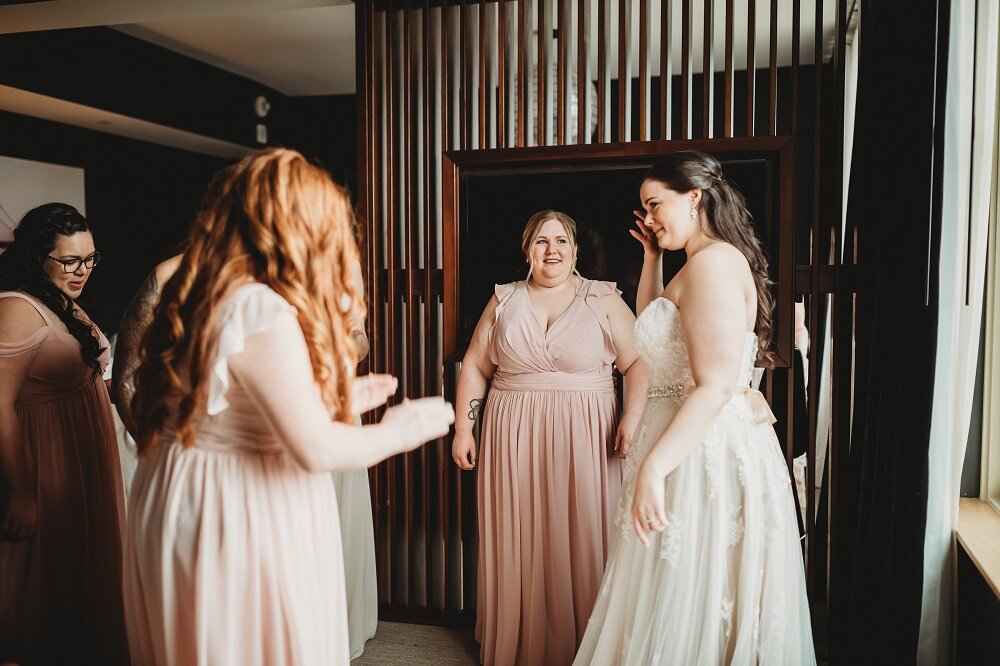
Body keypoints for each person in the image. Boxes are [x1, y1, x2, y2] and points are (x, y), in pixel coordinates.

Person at [122, 147, 454, 665]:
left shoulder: (197, 291)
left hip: (186, 493)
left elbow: (228, 401)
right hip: (241, 507)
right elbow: (316, 448)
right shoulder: (257, 305)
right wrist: (406, 428)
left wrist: (335, 397)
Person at [574, 151, 815, 664]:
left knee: (693, 592)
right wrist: (652, 258)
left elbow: (713, 387)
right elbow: (651, 327)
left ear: (695, 196)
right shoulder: (698, 264)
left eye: (656, 204)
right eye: (644, 208)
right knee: (669, 590)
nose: (651, 218)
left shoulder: (714, 266)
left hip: (699, 448)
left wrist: (655, 467)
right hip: (685, 439)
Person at [452, 210, 647, 666]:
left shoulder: (602, 299)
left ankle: (586, 645)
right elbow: (477, 366)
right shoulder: (504, 299)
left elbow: (637, 362)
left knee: (582, 533)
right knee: (518, 536)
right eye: (542, 241)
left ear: (576, 251)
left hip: (586, 436)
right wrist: (464, 427)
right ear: (528, 252)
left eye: (561, 240)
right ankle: (521, 641)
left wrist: (631, 418)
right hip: (511, 436)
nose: (552, 249)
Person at [0, 203, 129, 664]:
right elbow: (0, 404)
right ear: (38, 257)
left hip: (83, 457)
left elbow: (99, 377)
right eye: (70, 260)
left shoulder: (63, 302)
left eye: (90, 259)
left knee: (81, 580)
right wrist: (20, 492)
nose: (83, 270)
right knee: (42, 589)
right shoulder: (17, 307)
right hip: (45, 462)